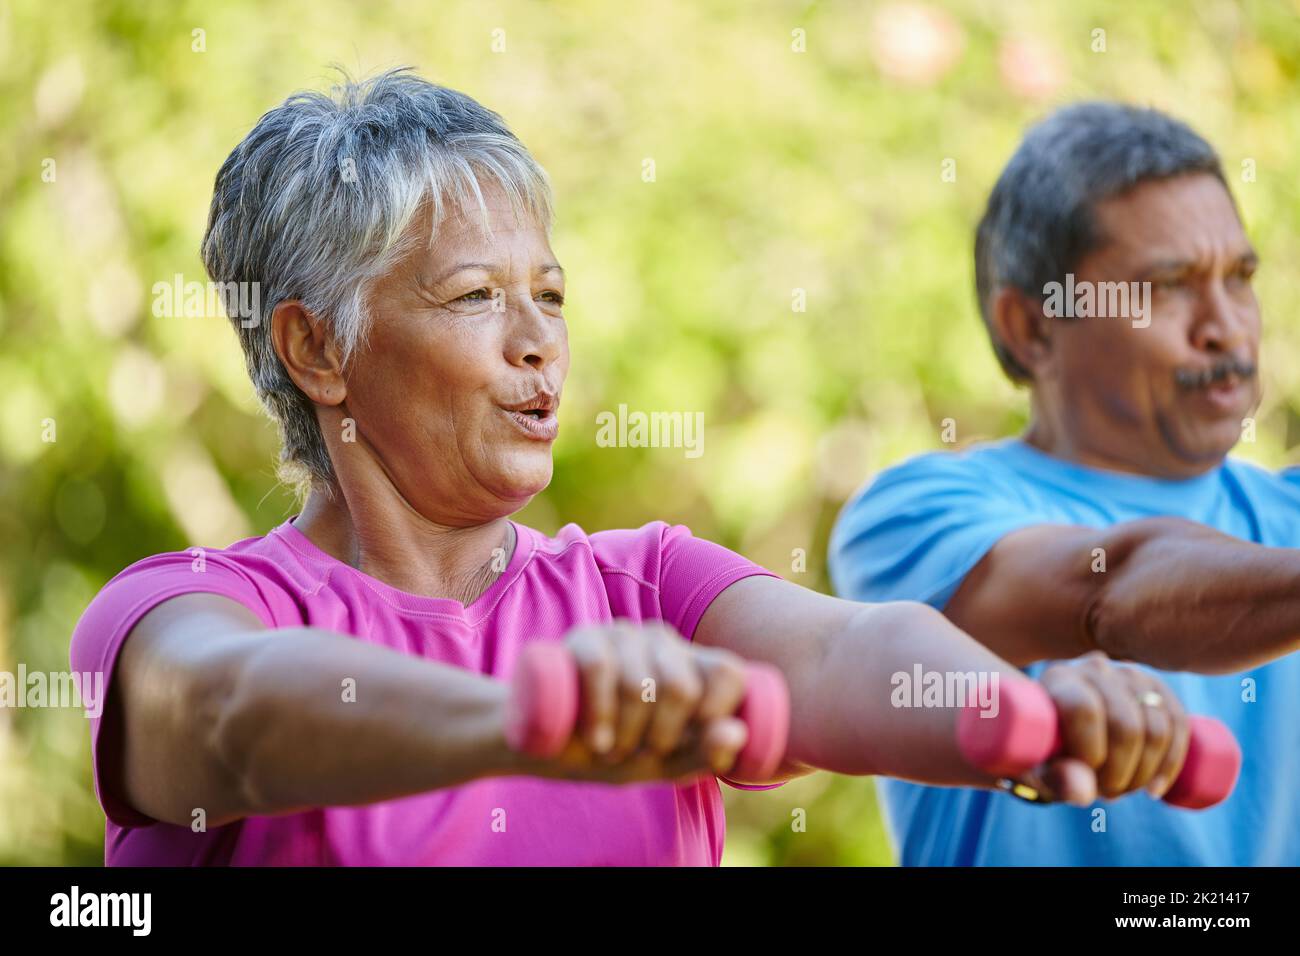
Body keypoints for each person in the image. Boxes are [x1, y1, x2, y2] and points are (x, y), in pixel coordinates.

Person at [72, 74, 1185, 866]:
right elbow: (233, 719)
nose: (539, 341)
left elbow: (848, 650)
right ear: (317, 348)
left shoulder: (645, 589)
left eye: (549, 294)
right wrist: (521, 720)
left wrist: (1027, 717)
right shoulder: (183, 609)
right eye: (473, 297)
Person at [830, 101, 1299, 866]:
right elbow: (1107, 588)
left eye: (1239, 278)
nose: (1226, 327)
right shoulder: (914, 514)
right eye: (1169, 286)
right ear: (1030, 326)